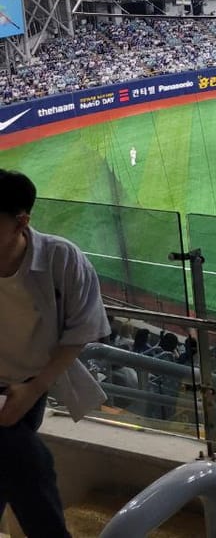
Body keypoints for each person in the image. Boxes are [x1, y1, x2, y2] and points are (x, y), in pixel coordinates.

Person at [0, 169, 110, 537]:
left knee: (12, 464)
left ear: (21, 222)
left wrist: (33, 390)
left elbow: (81, 329)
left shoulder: (61, 259)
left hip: (29, 387)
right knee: (27, 461)